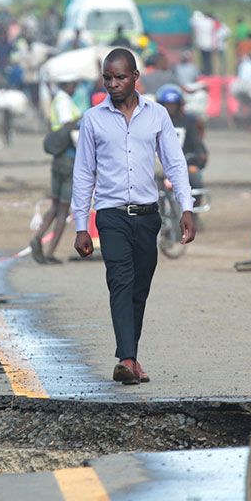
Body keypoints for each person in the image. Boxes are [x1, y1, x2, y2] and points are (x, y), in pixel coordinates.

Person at [72, 48, 195, 385]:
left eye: (120, 77)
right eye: (107, 78)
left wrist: (187, 207)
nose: (113, 84)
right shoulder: (93, 119)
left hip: (147, 216)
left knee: (139, 288)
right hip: (111, 216)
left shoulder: (157, 115)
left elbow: (174, 163)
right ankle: (126, 359)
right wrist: (82, 226)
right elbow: (84, 174)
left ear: (135, 77)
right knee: (120, 282)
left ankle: (132, 357)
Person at [31, 80, 82, 264]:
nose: (74, 87)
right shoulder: (64, 102)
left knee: (54, 206)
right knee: (63, 210)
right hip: (69, 161)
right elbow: (68, 125)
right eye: (73, 85)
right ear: (67, 86)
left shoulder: (57, 101)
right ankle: (50, 252)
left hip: (58, 160)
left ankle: (37, 237)